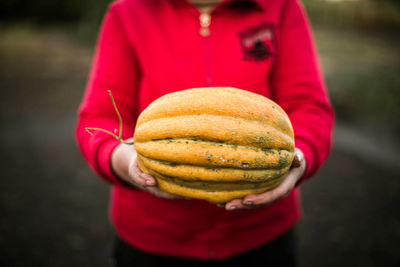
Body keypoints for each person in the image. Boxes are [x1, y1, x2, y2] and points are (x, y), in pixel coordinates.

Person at [75, 0, 334, 266]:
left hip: (262, 236)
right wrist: (124, 160)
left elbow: (308, 106)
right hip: (153, 239)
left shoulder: (281, 7)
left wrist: (298, 159)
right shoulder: (127, 12)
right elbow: (99, 118)